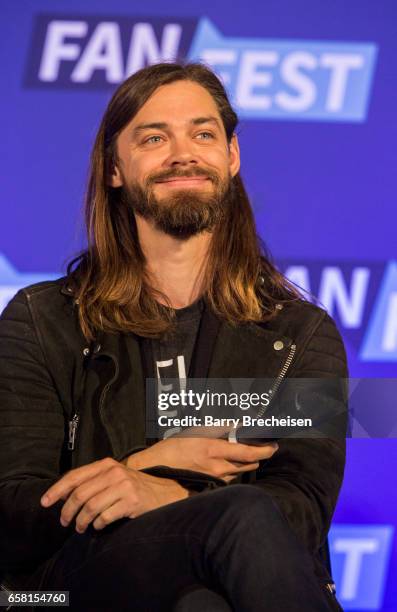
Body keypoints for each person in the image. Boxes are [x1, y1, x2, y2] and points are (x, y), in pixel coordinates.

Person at [0, 62, 347, 611]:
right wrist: (141, 468)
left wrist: (172, 493)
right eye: (154, 137)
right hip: (66, 589)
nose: (182, 153)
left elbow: (301, 509)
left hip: (227, 583)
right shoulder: (42, 321)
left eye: (203, 134)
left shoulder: (298, 334)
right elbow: (13, 514)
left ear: (231, 158)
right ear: (115, 167)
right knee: (239, 519)